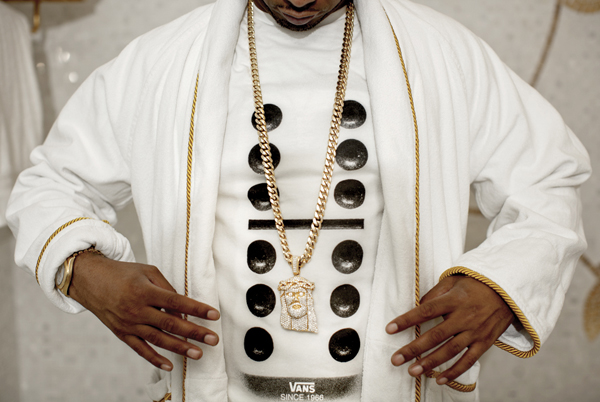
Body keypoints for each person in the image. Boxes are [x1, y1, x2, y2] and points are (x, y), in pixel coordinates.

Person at [6, 0, 591, 401]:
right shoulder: (160, 62)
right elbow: (48, 184)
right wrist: (85, 273)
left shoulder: (444, 54)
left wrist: (500, 286)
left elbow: (548, 178)